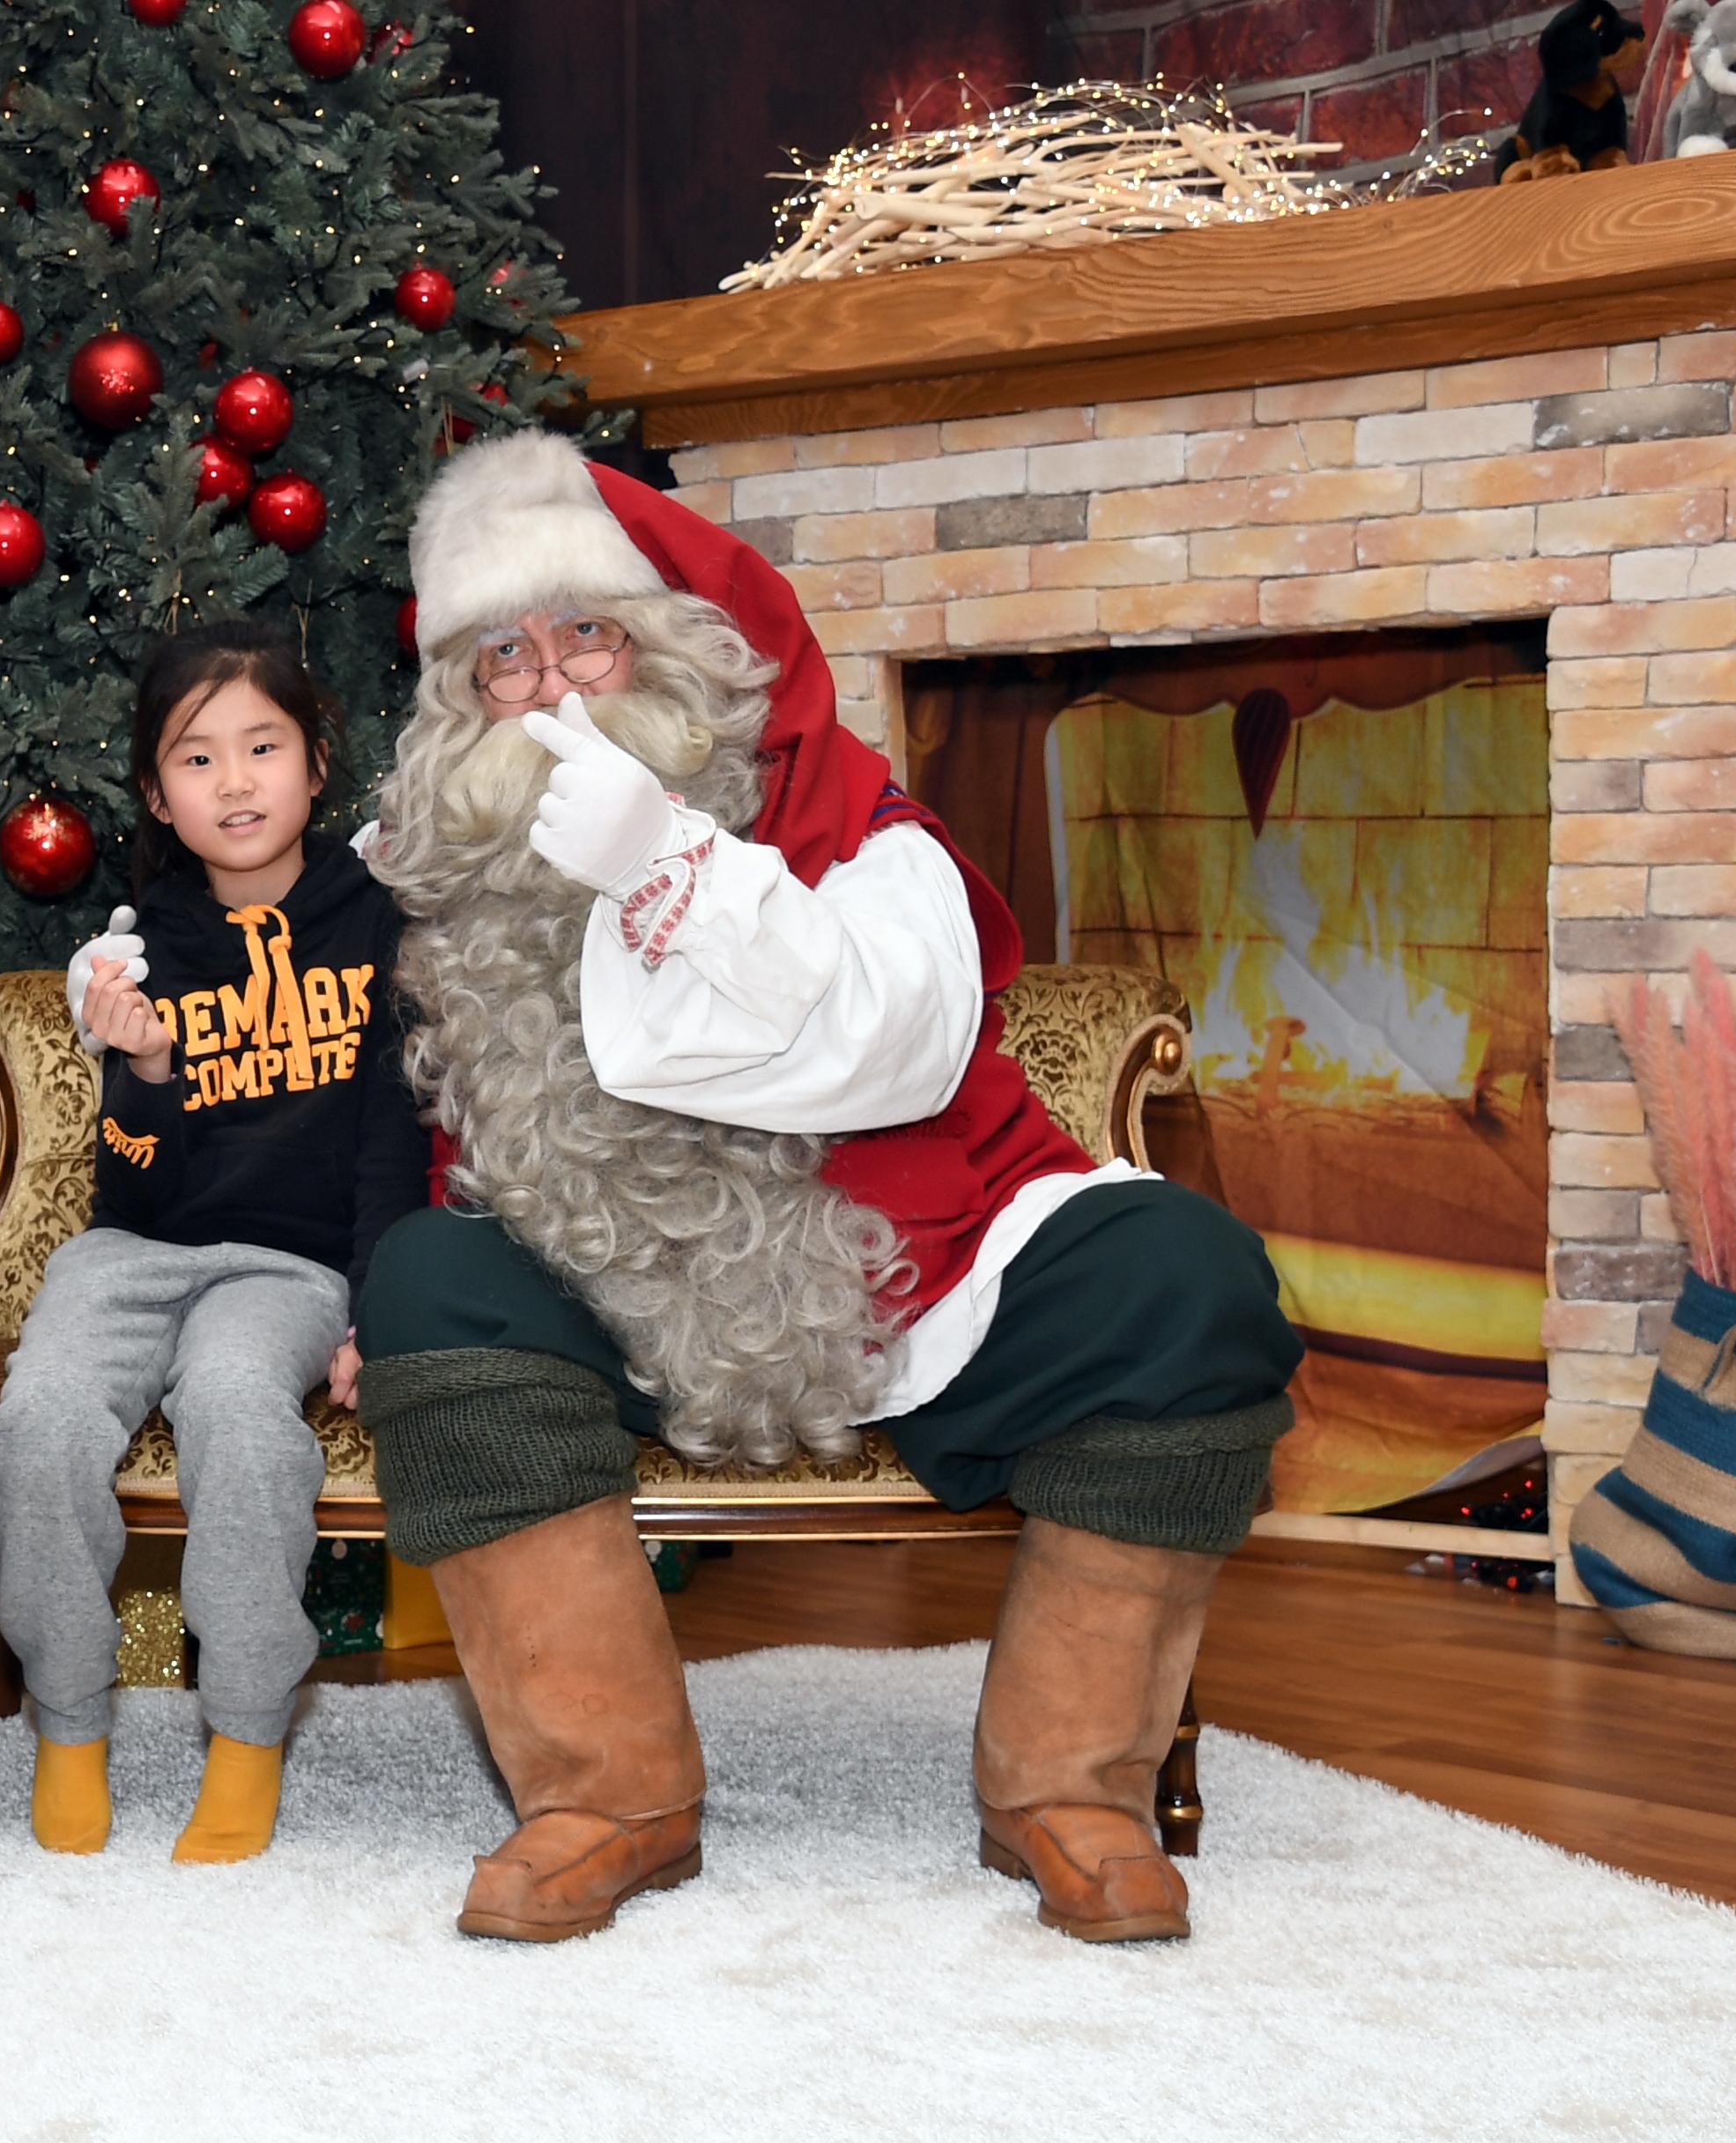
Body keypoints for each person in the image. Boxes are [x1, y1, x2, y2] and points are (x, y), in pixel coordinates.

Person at [352, 429, 1302, 1947]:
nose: (550, 688)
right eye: (503, 659)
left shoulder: (859, 826)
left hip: (921, 1276)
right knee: (429, 1281)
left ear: (675, 647)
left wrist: (668, 862)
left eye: (584, 633)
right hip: (623, 1301)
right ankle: (607, 1793)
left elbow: (895, 1048)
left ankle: (1069, 1787)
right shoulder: (453, 889)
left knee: (1186, 1279)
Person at [0, 623, 430, 1864]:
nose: (234, 782)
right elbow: (132, 1184)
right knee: (44, 1419)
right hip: (134, 1250)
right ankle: (68, 1722)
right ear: (159, 795)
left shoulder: (382, 924)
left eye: (263, 747)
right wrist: (151, 1072)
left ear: (318, 762)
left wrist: (371, 1310)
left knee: (236, 1406)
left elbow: (397, 1141)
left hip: (287, 1267)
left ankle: (244, 1735)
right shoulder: (139, 947)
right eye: (196, 759)